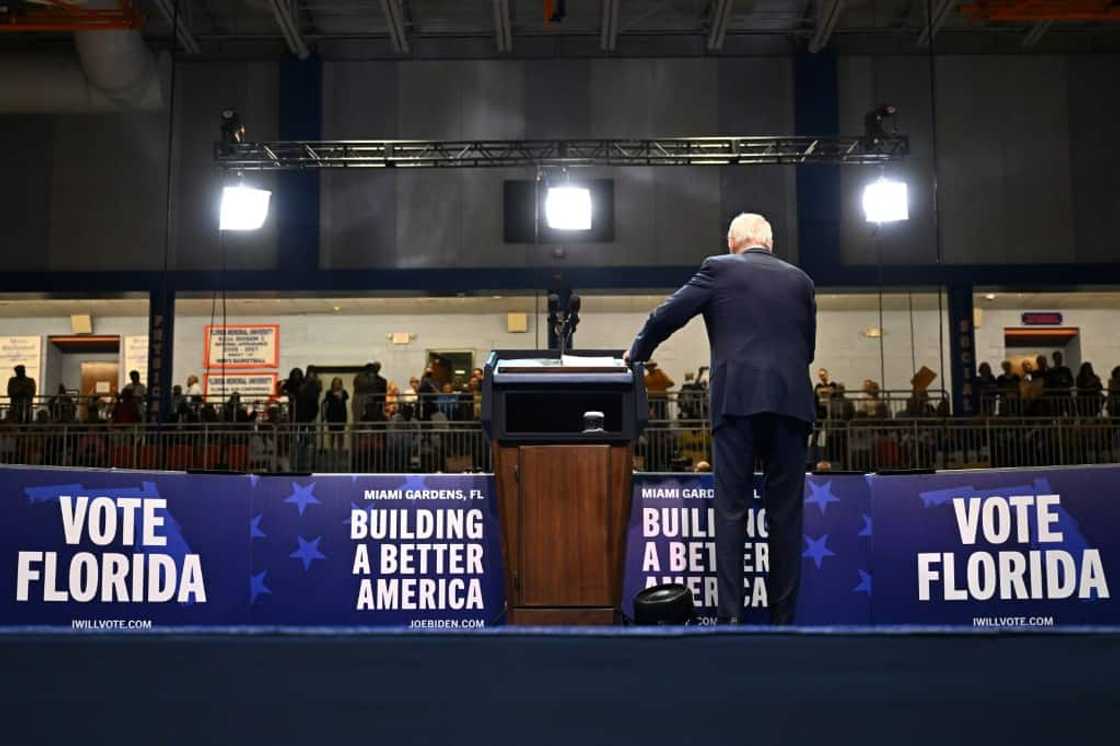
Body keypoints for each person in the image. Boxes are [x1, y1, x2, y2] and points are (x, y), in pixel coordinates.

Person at [625, 213, 815, 625]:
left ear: (733, 242)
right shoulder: (802, 281)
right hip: (792, 404)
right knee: (786, 517)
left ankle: (731, 620)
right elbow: (808, 349)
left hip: (737, 404)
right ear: (770, 241)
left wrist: (636, 353)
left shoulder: (719, 268)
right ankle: (785, 622)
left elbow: (667, 315)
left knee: (732, 512)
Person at [323, 377, 350, 449]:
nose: (336, 385)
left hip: (341, 415)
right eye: (335, 383)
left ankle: (340, 450)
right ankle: (331, 449)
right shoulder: (328, 392)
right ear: (332, 384)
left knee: (340, 434)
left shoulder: (344, 392)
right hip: (331, 415)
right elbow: (326, 401)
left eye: (338, 383)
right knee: (331, 434)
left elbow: (346, 397)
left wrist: (340, 395)